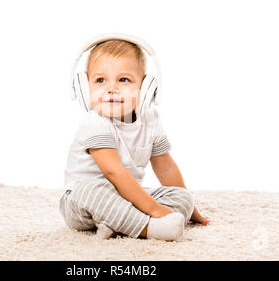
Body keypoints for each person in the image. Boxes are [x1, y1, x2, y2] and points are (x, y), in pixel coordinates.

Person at [59, 37, 209, 241]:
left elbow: (165, 167)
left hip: (127, 196)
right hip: (81, 202)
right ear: (85, 88)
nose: (111, 88)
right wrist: (153, 209)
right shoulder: (94, 121)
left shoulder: (151, 118)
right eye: (100, 80)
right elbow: (113, 171)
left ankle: (119, 223)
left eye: (123, 80)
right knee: (90, 190)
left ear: (145, 88)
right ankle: (150, 228)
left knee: (181, 197)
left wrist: (191, 209)